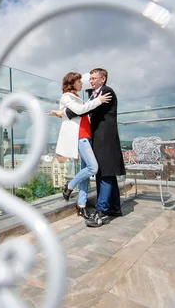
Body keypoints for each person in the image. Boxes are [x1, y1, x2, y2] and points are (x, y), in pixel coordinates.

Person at [54, 68, 126, 228]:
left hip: (103, 138)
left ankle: (102, 211)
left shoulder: (105, 92)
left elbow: (86, 109)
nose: (91, 81)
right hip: (95, 138)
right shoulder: (94, 95)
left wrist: (64, 112)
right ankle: (113, 207)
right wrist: (65, 112)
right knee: (104, 171)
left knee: (104, 172)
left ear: (103, 79)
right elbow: (85, 110)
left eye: (94, 78)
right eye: (90, 78)